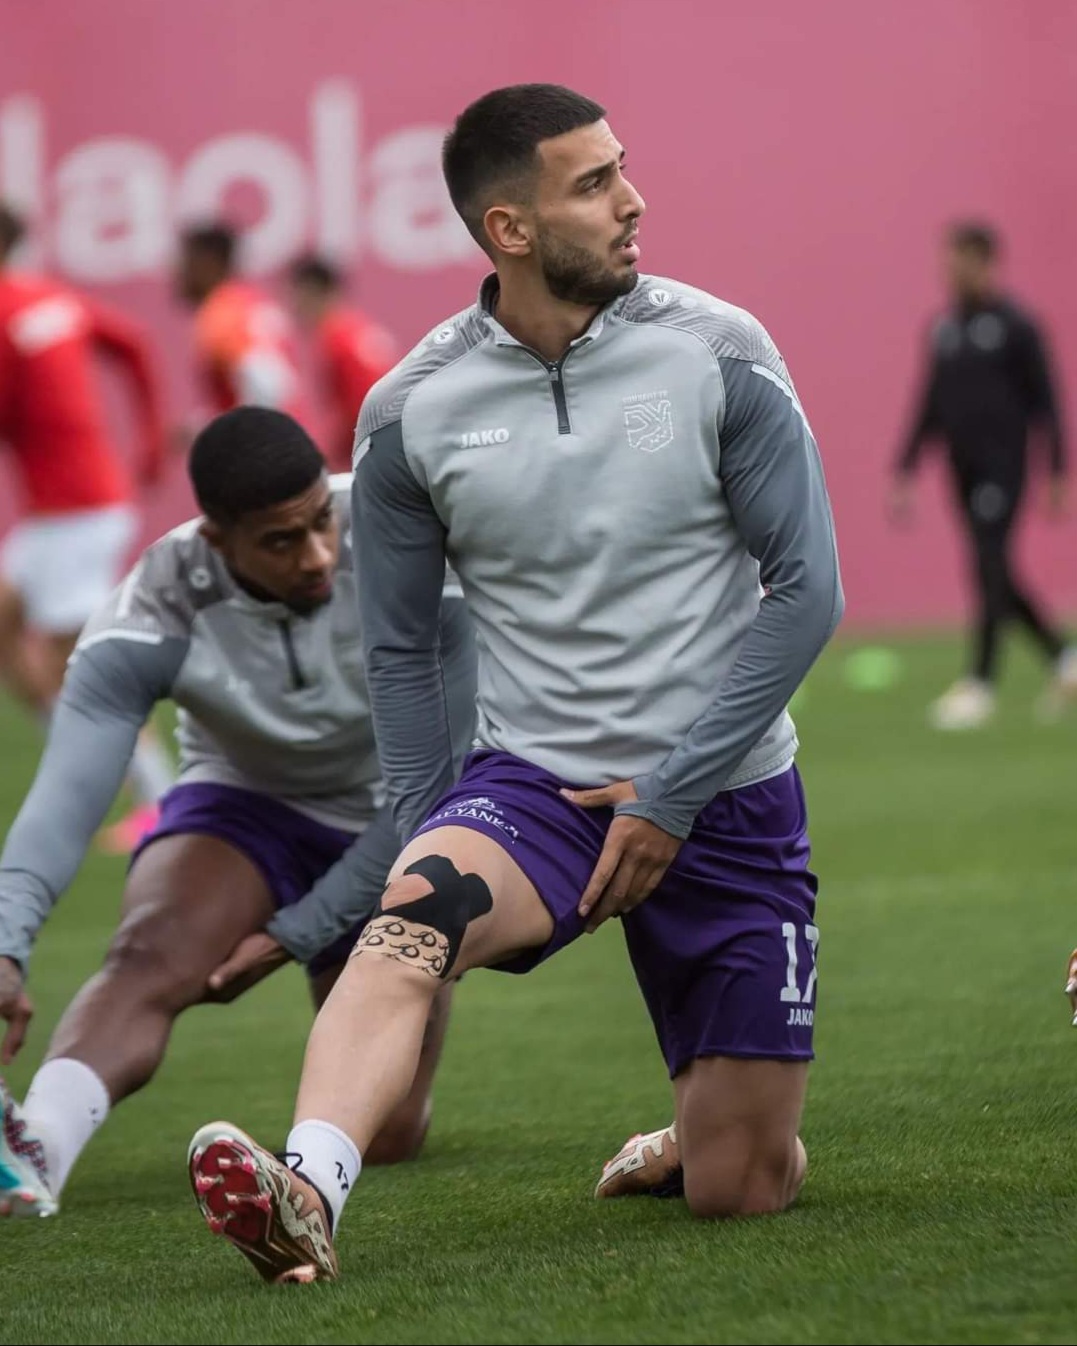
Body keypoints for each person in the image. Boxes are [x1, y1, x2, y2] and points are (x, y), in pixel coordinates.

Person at [187, 82, 843, 1285]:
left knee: (740, 1186)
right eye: (594, 183)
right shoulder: (412, 409)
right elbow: (399, 646)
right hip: (534, 787)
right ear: (511, 228)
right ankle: (306, 1191)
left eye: (621, 169)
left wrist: (673, 794)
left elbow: (807, 591)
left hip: (727, 793)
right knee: (407, 928)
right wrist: (422, 817)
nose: (632, 201)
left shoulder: (719, 351)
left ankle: (695, 1140)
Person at [0, 407, 475, 1218]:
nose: (316, 554)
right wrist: (6, 944)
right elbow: (65, 797)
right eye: (281, 541)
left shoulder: (408, 540)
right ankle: (35, 1149)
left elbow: (431, 792)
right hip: (247, 804)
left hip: (402, 815)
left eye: (320, 522)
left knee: (391, 1134)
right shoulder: (151, 608)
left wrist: (297, 933)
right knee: (150, 951)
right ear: (217, 541)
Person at [0, 202, 174, 847]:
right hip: (69, 508)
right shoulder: (49, 299)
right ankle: (78, 771)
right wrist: (149, 437)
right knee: (6, 619)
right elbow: (134, 344)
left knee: (79, 661)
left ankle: (158, 796)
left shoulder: (9, 311)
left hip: (72, 514)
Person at [890, 222, 1075, 730]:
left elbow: (1048, 403)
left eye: (960, 262)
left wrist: (1058, 471)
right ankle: (1063, 657)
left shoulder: (1017, 326)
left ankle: (980, 683)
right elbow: (929, 403)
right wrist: (906, 466)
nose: (950, 272)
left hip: (1005, 467)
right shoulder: (944, 330)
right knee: (993, 571)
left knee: (989, 564)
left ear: (987, 263)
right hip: (962, 469)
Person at [175, 224, 307, 427]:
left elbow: (266, 384)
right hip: (296, 434)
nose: (178, 274)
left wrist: (254, 438)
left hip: (272, 440)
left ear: (208, 262)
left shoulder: (220, 314)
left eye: (185, 263)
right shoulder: (254, 301)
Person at [287, 254, 399, 470]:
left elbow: (366, 407)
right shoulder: (356, 329)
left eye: (295, 295)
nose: (294, 307)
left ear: (312, 291)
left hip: (377, 453)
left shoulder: (337, 339)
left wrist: (333, 458)